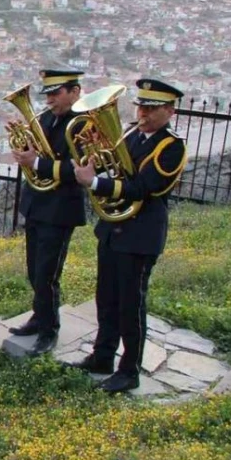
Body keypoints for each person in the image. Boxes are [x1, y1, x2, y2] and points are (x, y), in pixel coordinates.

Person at [71, 79, 187, 394]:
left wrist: (95, 184)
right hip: (112, 231)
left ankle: (130, 370)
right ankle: (102, 356)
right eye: (140, 106)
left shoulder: (171, 147)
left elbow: (144, 188)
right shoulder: (132, 134)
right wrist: (91, 149)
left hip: (140, 235)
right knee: (106, 299)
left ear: (169, 111)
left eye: (151, 108)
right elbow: (113, 166)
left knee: (130, 305)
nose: (143, 113)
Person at [10, 68, 88, 356]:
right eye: (49, 94)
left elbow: (81, 168)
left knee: (47, 273)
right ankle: (38, 315)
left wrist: (38, 163)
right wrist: (22, 149)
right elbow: (32, 156)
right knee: (33, 269)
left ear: (75, 92)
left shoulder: (84, 124)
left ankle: (49, 329)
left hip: (60, 209)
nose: (51, 99)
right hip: (36, 204)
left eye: (56, 93)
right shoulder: (43, 119)